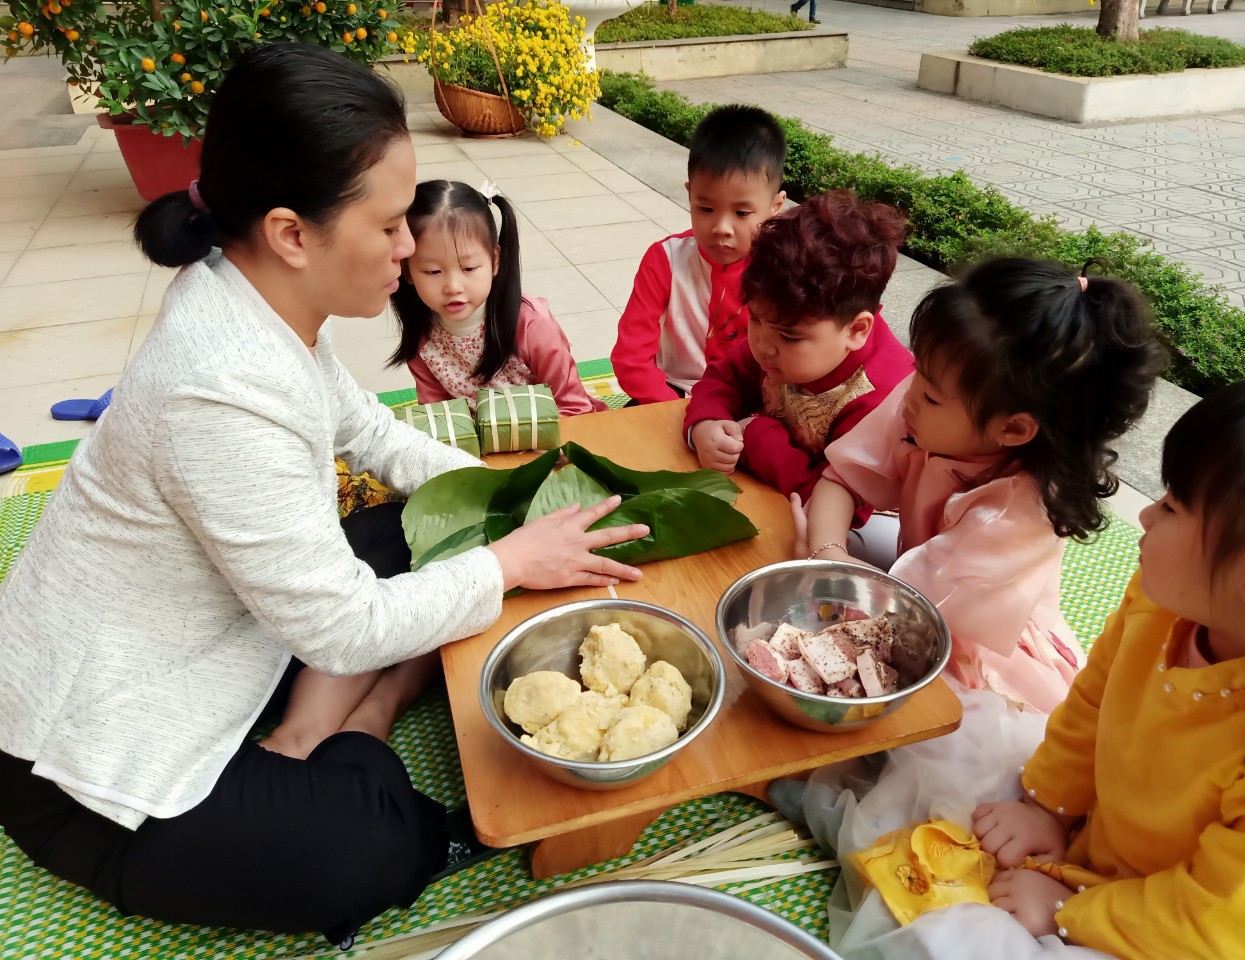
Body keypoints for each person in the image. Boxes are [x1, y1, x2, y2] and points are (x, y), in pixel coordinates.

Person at [0, 44, 646, 948]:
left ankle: (338, 725)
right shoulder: (218, 391)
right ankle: (357, 732)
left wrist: (518, 500)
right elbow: (342, 630)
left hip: (219, 630)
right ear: (292, 234)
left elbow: (374, 434)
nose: (411, 247)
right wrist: (508, 563)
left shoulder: (263, 302)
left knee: (417, 528)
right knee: (365, 849)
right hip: (86, 755)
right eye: (389, 225)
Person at [788, 378, 1245, 960]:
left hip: (1162, 926)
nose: (1146, 515)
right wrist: (1048, 807)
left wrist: (1069, 911)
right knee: (947, 746)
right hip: (1092, 829)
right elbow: (1093, 702)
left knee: (958, 943)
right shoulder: (1163, 599)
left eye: (1173, 507)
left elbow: (1216, 920)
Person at [799, 258, 1166, 713]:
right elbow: (839, 480)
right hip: (915, 583)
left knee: (930, 718)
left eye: (931, 394)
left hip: (968, 638)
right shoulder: (926, 408)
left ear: (1012, 429)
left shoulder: (1017, 513)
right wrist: (828, 553)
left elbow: (914, 618)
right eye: (918, 371)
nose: (909, 394)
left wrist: (830, 573)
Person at [683, 190, 913, 507]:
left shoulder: (881, 402)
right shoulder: (779, 328)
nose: (763, 347)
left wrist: (757, 437)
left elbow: (839, 506)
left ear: (856, 330)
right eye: (755, 320)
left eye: (789, 338)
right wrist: (705, 424)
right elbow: (722, 379)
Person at [610, 104, 787, 405]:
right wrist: (682, 412)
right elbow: (631, 358)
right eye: (705, 208)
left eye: (742, 213)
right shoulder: (665, 260)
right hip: (673, 396)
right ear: (690, 193)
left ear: (775, 206)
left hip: (752, 399)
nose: (721, 228)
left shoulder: (783, 266)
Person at [387, 179, 604, 416]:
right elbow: (440, 419)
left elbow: (573, 408)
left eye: (469, 268)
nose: (453, 287)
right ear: (407, 271)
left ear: (495, 260)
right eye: (433, 271)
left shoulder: (532, 325)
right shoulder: (422, 339)